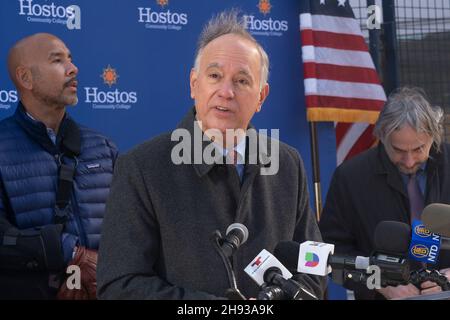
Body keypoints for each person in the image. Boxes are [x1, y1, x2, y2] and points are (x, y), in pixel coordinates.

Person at [97, 11, 325, 300]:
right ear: (194, 84)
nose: (226, 91)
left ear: (261, 97)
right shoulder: (142, 167)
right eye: (215, 76)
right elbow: (119, 286)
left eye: (242, 80)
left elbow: (312, 267)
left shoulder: (287, 164)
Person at [0, 33, 118, 299]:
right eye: (57, 60)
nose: (73, 68)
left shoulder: (105, 147)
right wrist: (73, 256)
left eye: (71, 59)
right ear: (26, 78)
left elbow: (134, 229)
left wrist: (102, 276)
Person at [319, 87, 450, 300]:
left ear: (434, 136)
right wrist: (381, 283)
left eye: (418, 149)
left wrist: (447, 278)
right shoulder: (351, 177)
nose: (409, 161)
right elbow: (333, 251)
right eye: (398, 150)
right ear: (381, 136)